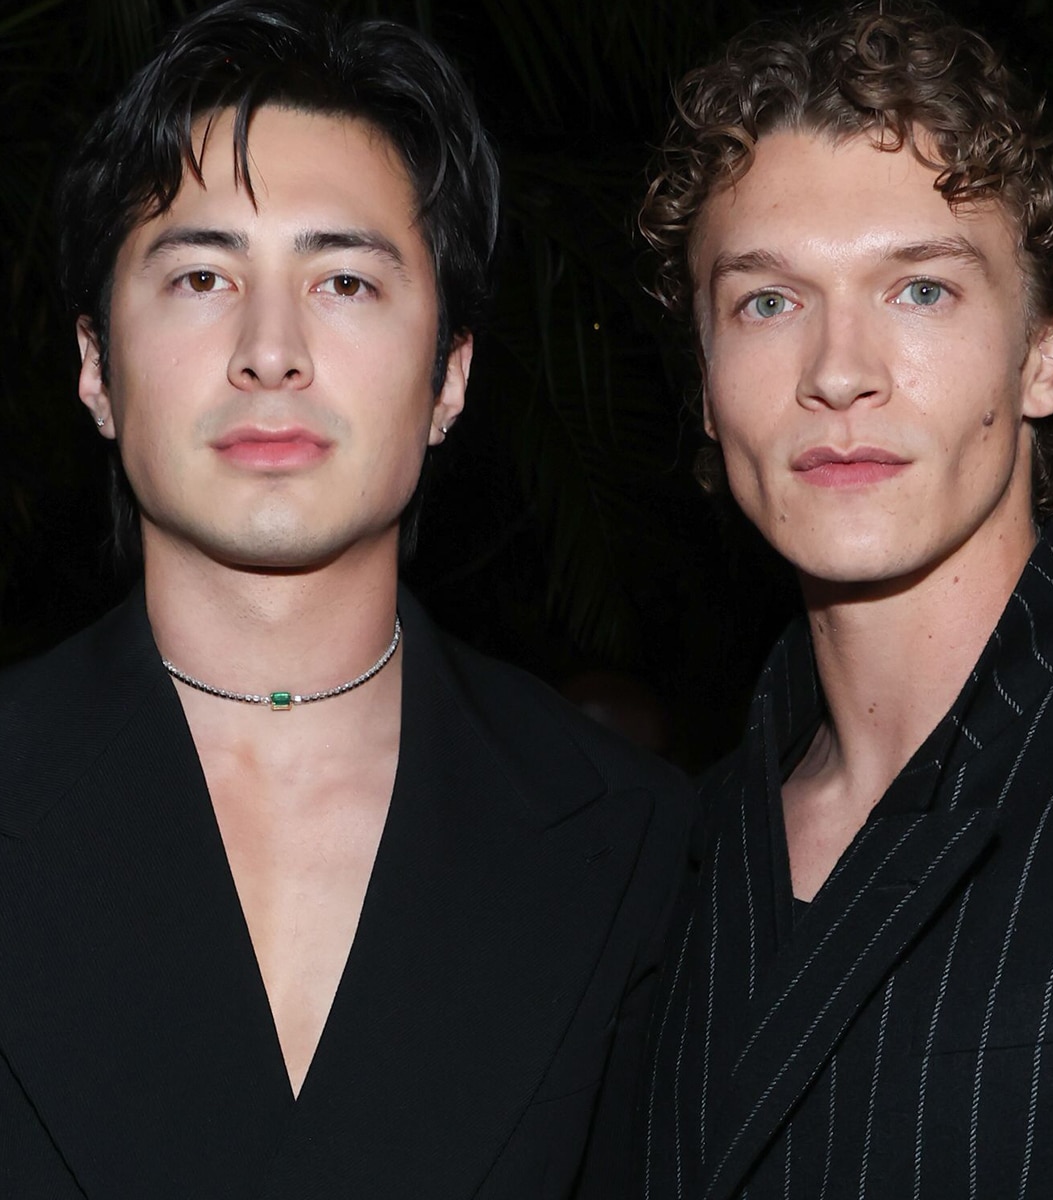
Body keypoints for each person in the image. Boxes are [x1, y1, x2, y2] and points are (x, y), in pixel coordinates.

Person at [0, 3, 691, 1196]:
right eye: (202, 276)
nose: (271, 350)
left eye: (346, 283)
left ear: (450, 377)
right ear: (96, 368)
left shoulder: (637, 840)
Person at [637, 2, 1053, 1196]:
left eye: (921, 291)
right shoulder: (655, 859)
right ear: (706, 381)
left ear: (1046, 349)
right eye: (768, 302)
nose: (839, 372)